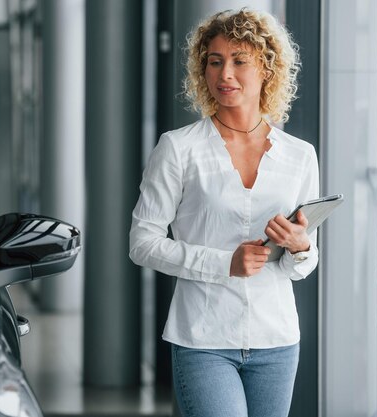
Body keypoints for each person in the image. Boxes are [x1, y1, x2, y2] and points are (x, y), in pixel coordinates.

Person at [129, 8, 319, 417]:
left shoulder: (300, 156)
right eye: (214, 61)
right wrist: (224, 263)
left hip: (277, 340)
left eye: (239, 61)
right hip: (203, 340)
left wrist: (301, 247)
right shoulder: (178, 149)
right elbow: (142, 244)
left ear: (267, 69)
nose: (224, 73)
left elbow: (300, 264)